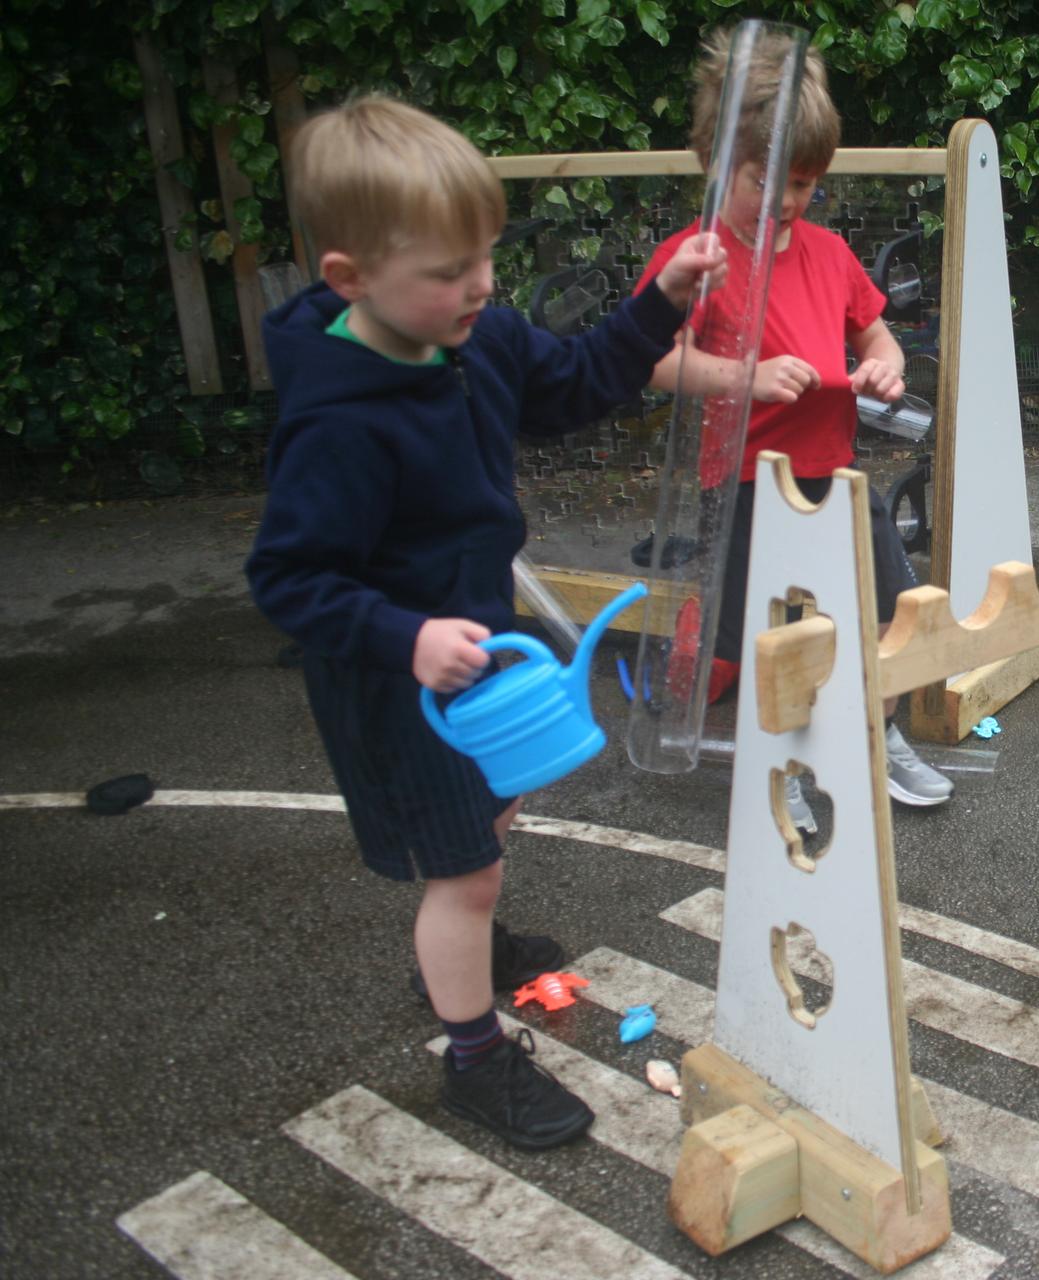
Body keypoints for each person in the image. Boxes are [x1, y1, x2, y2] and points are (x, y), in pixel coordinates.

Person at [245, 95, 722, 1148]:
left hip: (478, 662)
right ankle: (471, 1053)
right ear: (349, 280)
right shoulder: (337, 421)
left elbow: (585, 379)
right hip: (396, 680)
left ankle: (466, 941)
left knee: (492, 821)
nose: (482, 285)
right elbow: (288, 578)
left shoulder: (480, 337)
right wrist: (404, 635)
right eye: (448, 270)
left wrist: (659, 303)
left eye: (487, 257)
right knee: (462, 870)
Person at [632, 25, 953, 829]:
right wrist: (744, 377)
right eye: (763, 179)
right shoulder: (693, 257)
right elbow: (652, 360)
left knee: (879, 614)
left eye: (804, 183)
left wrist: (886, 368)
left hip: (836, 475)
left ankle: (875, 739)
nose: (785, 200)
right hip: (745, 486)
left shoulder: (829, 251)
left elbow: (874, 334)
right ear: (713, 161)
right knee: (775, 638)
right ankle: (789, 772)